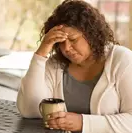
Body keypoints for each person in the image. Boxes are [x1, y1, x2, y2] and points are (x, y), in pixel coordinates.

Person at [16, 0, 132, 133]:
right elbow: (29, 110)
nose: (66, 48)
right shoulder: (56, 65)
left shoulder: (122, 60)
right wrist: (41, 53)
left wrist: (82, 123)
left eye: (73, 40)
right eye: (60, 42)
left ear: (91, 34)